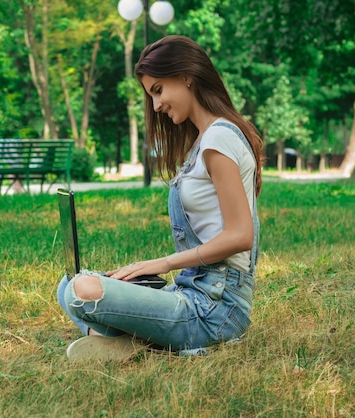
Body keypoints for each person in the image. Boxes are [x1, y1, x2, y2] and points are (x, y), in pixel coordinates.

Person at [57, 35, 264, 360]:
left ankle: (133, 339)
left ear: (185, 76)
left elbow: (241, 236)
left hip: (217, 308)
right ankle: (132, 342)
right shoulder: (205, 140)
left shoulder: (219, 139)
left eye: (158, 91)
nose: (156, 106)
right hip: (192, 292)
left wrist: (162, 264)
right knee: (68, 284)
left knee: (83, 291)